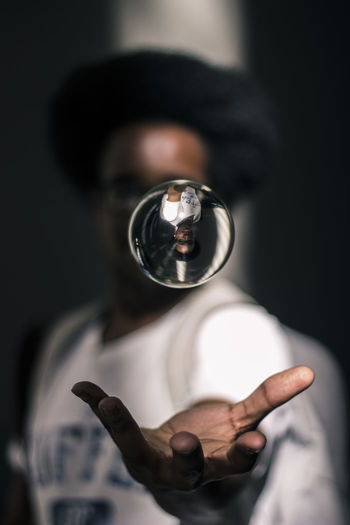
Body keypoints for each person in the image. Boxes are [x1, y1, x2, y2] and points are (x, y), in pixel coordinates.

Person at [5, 50, 347, 525]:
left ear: (205, 209)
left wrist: (195, 479)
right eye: (127, 188)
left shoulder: (234, 328)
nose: (153, 213)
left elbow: (218, 470)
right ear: (93, 200)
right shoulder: (53, 345)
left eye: (177, 194)